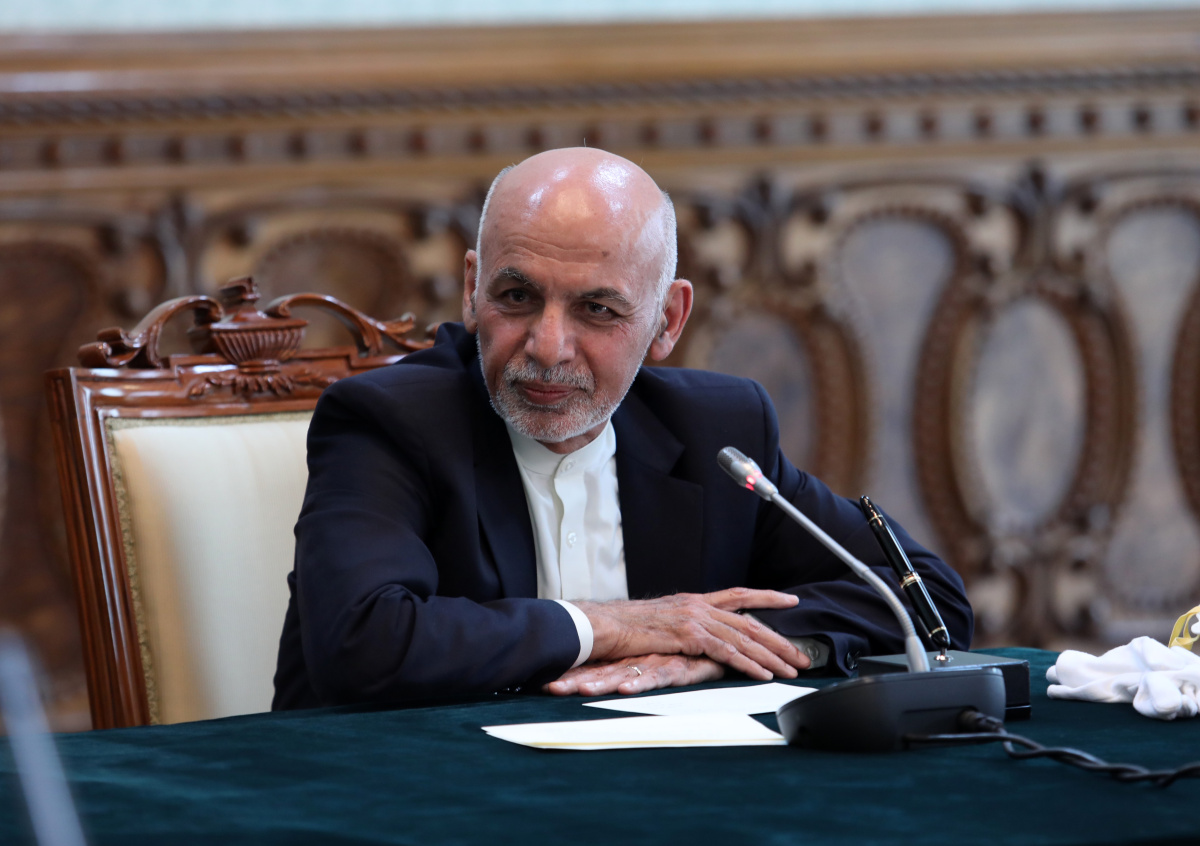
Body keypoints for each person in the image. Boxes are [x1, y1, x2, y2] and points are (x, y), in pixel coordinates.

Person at [272, 147, 972, 709]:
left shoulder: (716, 431)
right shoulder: (389, 421)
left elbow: (925, 602)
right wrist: (614, 625)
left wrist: (715, 647)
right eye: (517, 296)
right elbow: (362, 646)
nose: (548, 346)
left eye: (597, 310)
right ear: (471, 290)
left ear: (667, 321)